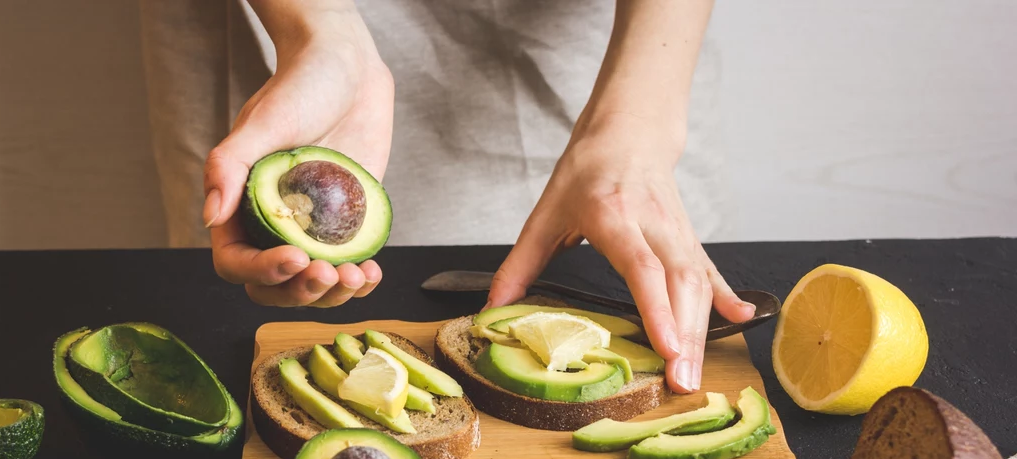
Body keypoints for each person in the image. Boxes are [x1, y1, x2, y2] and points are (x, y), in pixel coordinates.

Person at [140, 0, 756, 394]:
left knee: (649, 273)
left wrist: (638, 124)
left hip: (627, 43)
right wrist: (315, 30)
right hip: (283, 33)